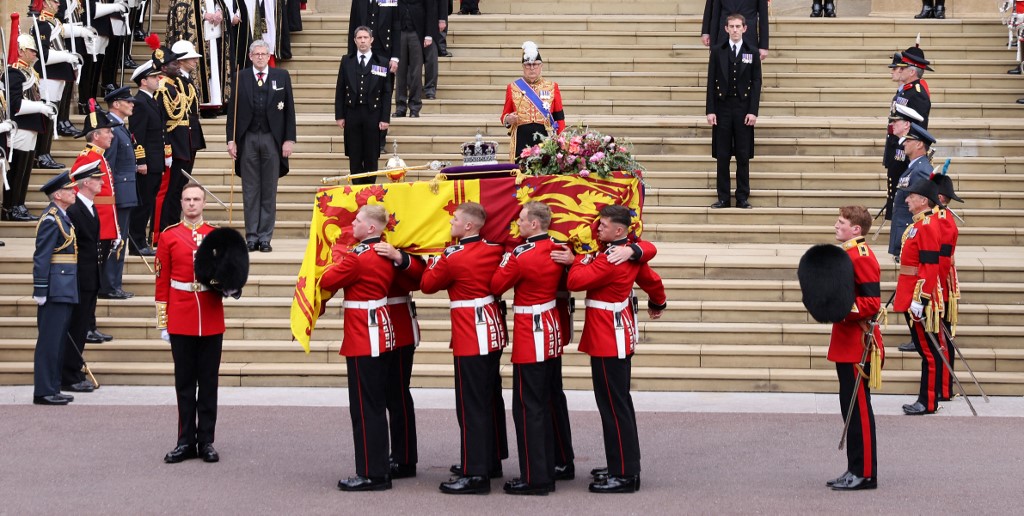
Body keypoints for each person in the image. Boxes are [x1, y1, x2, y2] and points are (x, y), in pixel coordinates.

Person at [565, 205, 667, 494]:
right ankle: (620, 463)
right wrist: (658, 302)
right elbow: (652, 281)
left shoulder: (610, 258)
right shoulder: (622, 252)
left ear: (619, 231)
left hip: (609, 336)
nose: (598, 228)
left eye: (605, 225)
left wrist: (578, 259)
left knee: (614, 406)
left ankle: (624, 473)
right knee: (615, 404)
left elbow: (575, 281)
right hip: (610, 334)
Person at [421, 201, 509, 495]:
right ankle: (489, 460)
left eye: (455, 219)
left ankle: (475, 473)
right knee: (488, 399)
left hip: (471, 332)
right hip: (492, 329)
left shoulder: (453, 256)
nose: (451, 222)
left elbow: (428, 285)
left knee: (471, 405)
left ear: (469, 225)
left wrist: (435, 259)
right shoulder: (495, 250)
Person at [489, 202, 567, 496]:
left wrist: (506, 258)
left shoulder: (521, 255)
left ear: (534, 224)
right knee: (543, 402)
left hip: (530, 330)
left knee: (527, 407)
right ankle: (546, 467)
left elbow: (497, 285)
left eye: (521, 220)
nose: (517, 224)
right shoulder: (558, 248)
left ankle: (535, 477)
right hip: (551, 326)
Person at [320, 205, 398, 492]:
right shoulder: (383, 252)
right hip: (380, 329)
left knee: (365, 409)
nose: (352, 224)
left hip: (364, 333)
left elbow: (328, 280)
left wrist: (336, 259)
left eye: (358, 221)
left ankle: (371, 473)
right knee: (375, 405)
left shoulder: (358, 258)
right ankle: (377, 469)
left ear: (371, 229)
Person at [156, 182, 226, 463]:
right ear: (182, 203)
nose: (192, 204)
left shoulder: (215, 236)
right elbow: (162, 281)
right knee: (184, 383)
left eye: (197, 199)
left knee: (208, 382)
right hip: (181, 316)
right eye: (187, 199)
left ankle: (206, 440)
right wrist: (164, 320)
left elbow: (226, 274)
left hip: (210, 315)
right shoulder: (169, 236)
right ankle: (185, 440)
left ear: (204, 203)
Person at [826, 206, 883, 491]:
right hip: (847, 341)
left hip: (858, 344)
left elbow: (872, 303)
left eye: (841, 222)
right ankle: (854, 467)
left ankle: (865, 473)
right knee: (849, 409)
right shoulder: (847, 255)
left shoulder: (860, 257)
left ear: (856, 229)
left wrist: (838, 308)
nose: (836, 225)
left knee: (859, 410)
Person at [226, 39, 296, 252]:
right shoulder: (240, 77)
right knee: (250, 189)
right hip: (248, 138)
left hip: (271, 138)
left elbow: (289, 110)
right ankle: (251, 236)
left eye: (263, 54)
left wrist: (289, 139)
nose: (260, 57)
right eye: (256, 54)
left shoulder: (281, 76)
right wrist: (231, 139)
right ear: (250, 56)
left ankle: (265, 237)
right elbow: (232, 112)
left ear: (269, 56)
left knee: (269, 189)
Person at [374, 240, 427, 480]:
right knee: (382, 395)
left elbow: (420, 278)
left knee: (397, 395)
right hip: (372, 327)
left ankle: (404, 458)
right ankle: (389, 454)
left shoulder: (404, 243)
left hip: (398, 327)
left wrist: (399, 257)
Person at [893, 178, 945, 416]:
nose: (907, 200)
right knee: (926, 350)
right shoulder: (918, 224)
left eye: (911, 197)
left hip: (918, 294)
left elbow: (930, 265)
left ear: (923, 201)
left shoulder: (927, 226)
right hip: (909, 290)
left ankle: (928, 401)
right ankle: (926, 399)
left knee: (928, 352)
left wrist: (921, 298)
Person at [31, 170, 79, 406]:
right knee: (49, 341)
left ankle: (53, 386)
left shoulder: (62, 217)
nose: (74, 192)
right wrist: (40, 289)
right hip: (54, 288)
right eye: (69, 190)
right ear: (58, 195)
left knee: (58, 341)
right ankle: (43, 390)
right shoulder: (51, 219)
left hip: (65, 286)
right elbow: (42, 257)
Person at [706, 13, 762, 210]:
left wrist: (753, 111)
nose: (735, 30)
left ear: (745, 29)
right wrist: (710, 110)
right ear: (726, 29)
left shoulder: (752, 52)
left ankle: (742, 197)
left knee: (743, 154)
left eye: (739, 26)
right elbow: (711, 82)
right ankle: (723, 198)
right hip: (722, 108)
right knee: (722, 155)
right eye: (732, 26)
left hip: (743, 108)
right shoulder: (717, 51)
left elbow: (756, 83)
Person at [62, 161, 106, 394]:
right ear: (86, 182)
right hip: (80, 279)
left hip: (90, 278)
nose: (102, 182)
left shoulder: (88, 206)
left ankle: (74, 370)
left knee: (80, 329)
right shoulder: (75, 209)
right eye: (97, 179)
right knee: (76, 328)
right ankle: (69, 374)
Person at [4, 34, 57, 222]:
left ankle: (20, 204)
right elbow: (15, 104)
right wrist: (40, 107)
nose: (35, 53)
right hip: (20, 125)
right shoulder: (14, 73)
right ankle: (11, 207)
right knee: (17, 170)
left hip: (31, 125)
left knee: (25, 170)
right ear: (20, 51)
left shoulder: (28, 72)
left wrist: (43, 106)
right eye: (31, 50)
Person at [335, 26, 393, 186]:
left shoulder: (381, 62)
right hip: (352, 113)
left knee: (371, 154)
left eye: (365, 37)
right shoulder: (347, 60)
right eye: (359, 38)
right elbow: (340, 88)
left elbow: (386, 92)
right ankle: (356, 190)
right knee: (354, 154)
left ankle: (369, 188)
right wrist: (339, 115)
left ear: (371, 40)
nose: (362, 41)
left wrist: (385, 117)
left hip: (373, 113)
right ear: (355, 40)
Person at [883, 44, 931, 223]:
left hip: (904, 148)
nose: (898, 71)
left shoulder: (917, 93)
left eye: (902, 68)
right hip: (897, 146)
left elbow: (918, 126)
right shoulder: (905, 91)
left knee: (903, 194)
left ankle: (901, 227)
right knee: (895, 189)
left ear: (912, 72)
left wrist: (906, 148)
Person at [98, 86, 138, 300]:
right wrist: (109, 196)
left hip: (125, 192)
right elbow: (108, 167)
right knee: (116, 240)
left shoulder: (119, 127)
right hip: (118, 195)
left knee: (119, 240)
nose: (132, 104)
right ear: (116, 104)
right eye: (127, 101)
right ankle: (109, 285)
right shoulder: (111, 128)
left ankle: (114, 283)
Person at [347, 0, 401, 152]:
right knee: (362, 93)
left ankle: (380, 139)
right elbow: (353, 26)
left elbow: (396, 27)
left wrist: (395, 56)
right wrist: (351, 56)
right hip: (362, 54)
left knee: (381, 93)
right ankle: (364, 137)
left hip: (383, 54)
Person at [500, 41, 565, 162]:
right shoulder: (513, 87)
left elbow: (559, 117)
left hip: (545, 137)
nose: (532, 68)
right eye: (528, 65)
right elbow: (504, 115)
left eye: (535, 64)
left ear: (541, 66)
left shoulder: (552, 87)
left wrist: (560, 141)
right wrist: (509, 119)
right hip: (521, 137)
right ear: (523, 67)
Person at [165, 0, 233, 115]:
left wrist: (219, 12)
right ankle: (201, 103)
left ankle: (216, 101)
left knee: (215, 67)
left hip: (214, 35)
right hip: (197, 35)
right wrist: (203, 14)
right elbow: (181, 7)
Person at [930, 171, 963, 401]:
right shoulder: (937, 216)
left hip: (940, 284)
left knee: (942, 338)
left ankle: (943, 388)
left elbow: (941, 260)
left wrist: (935, 288)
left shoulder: (941, 219)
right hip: (939, 283)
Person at [127, 62, 166, 256]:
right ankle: (136, 243)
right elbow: (137, 136)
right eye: (153, 77)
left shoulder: (151, 100)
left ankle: (140, 241)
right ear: (143, 81)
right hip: (147, 163)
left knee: (148, 202)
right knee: (142, 204)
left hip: (155, 161)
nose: (158, 79)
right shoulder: (140, 103)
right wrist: (140, 161)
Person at [888, 123, 934, 260]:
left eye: (908, 141)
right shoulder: (915, 167)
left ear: (919, 144)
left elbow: (923, 206)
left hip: (910, 234)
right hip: (904, 233)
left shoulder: (921, 170)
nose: (904, 144)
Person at [393, 0, 438, 118]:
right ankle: (400, 107)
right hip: (400, 32)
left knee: (416, 72)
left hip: (417, 32)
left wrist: (428, 34)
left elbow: (430, 10)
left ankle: (415, 107)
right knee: (400, 72)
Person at [881, 103, 924, 222]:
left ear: (907, 124)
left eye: (896, 122)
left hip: (907, 208)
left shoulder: (911, 148)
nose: (892, 125)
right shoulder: (896, 144)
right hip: (898, 202)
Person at [701, 0, 769, 61]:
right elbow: (714, 13)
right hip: (724, 37)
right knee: (723, 71)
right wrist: (708, 35)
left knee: (747, 71)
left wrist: (763, 46)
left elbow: (764, 17)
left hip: (748, 38)